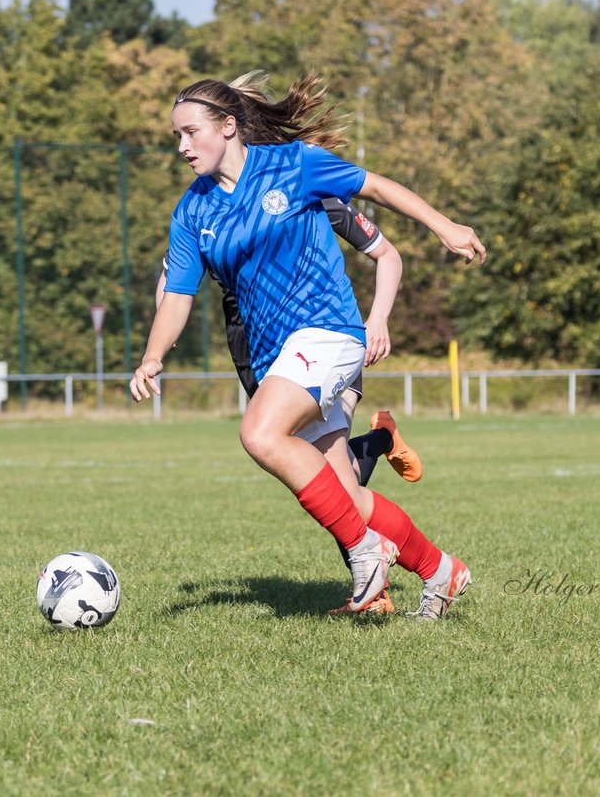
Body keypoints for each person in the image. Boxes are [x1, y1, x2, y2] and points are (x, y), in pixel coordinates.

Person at [132, 71, 484, 619]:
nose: (181, 146)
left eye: (189, 132)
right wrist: (152, 357)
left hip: (329, 331)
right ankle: (443, 571)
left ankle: (368, 556)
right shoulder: (192, 213)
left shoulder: (294, 164)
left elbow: (376, 187)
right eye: (176, 135)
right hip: (278, 355)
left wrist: (444, 226)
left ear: (228, 126)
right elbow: (176, 297)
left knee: (259, 433)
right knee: (349, 498)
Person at [155, 197, 423, 614]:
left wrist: (378, 320)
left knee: (327, 477)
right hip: (254, 345)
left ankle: (374, 587)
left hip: (325, 337)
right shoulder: (207, 206)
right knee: (334, 475)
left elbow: (387, 254)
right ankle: (378, 441)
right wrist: (159, 344)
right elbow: (173, 284)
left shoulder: (306, 188)